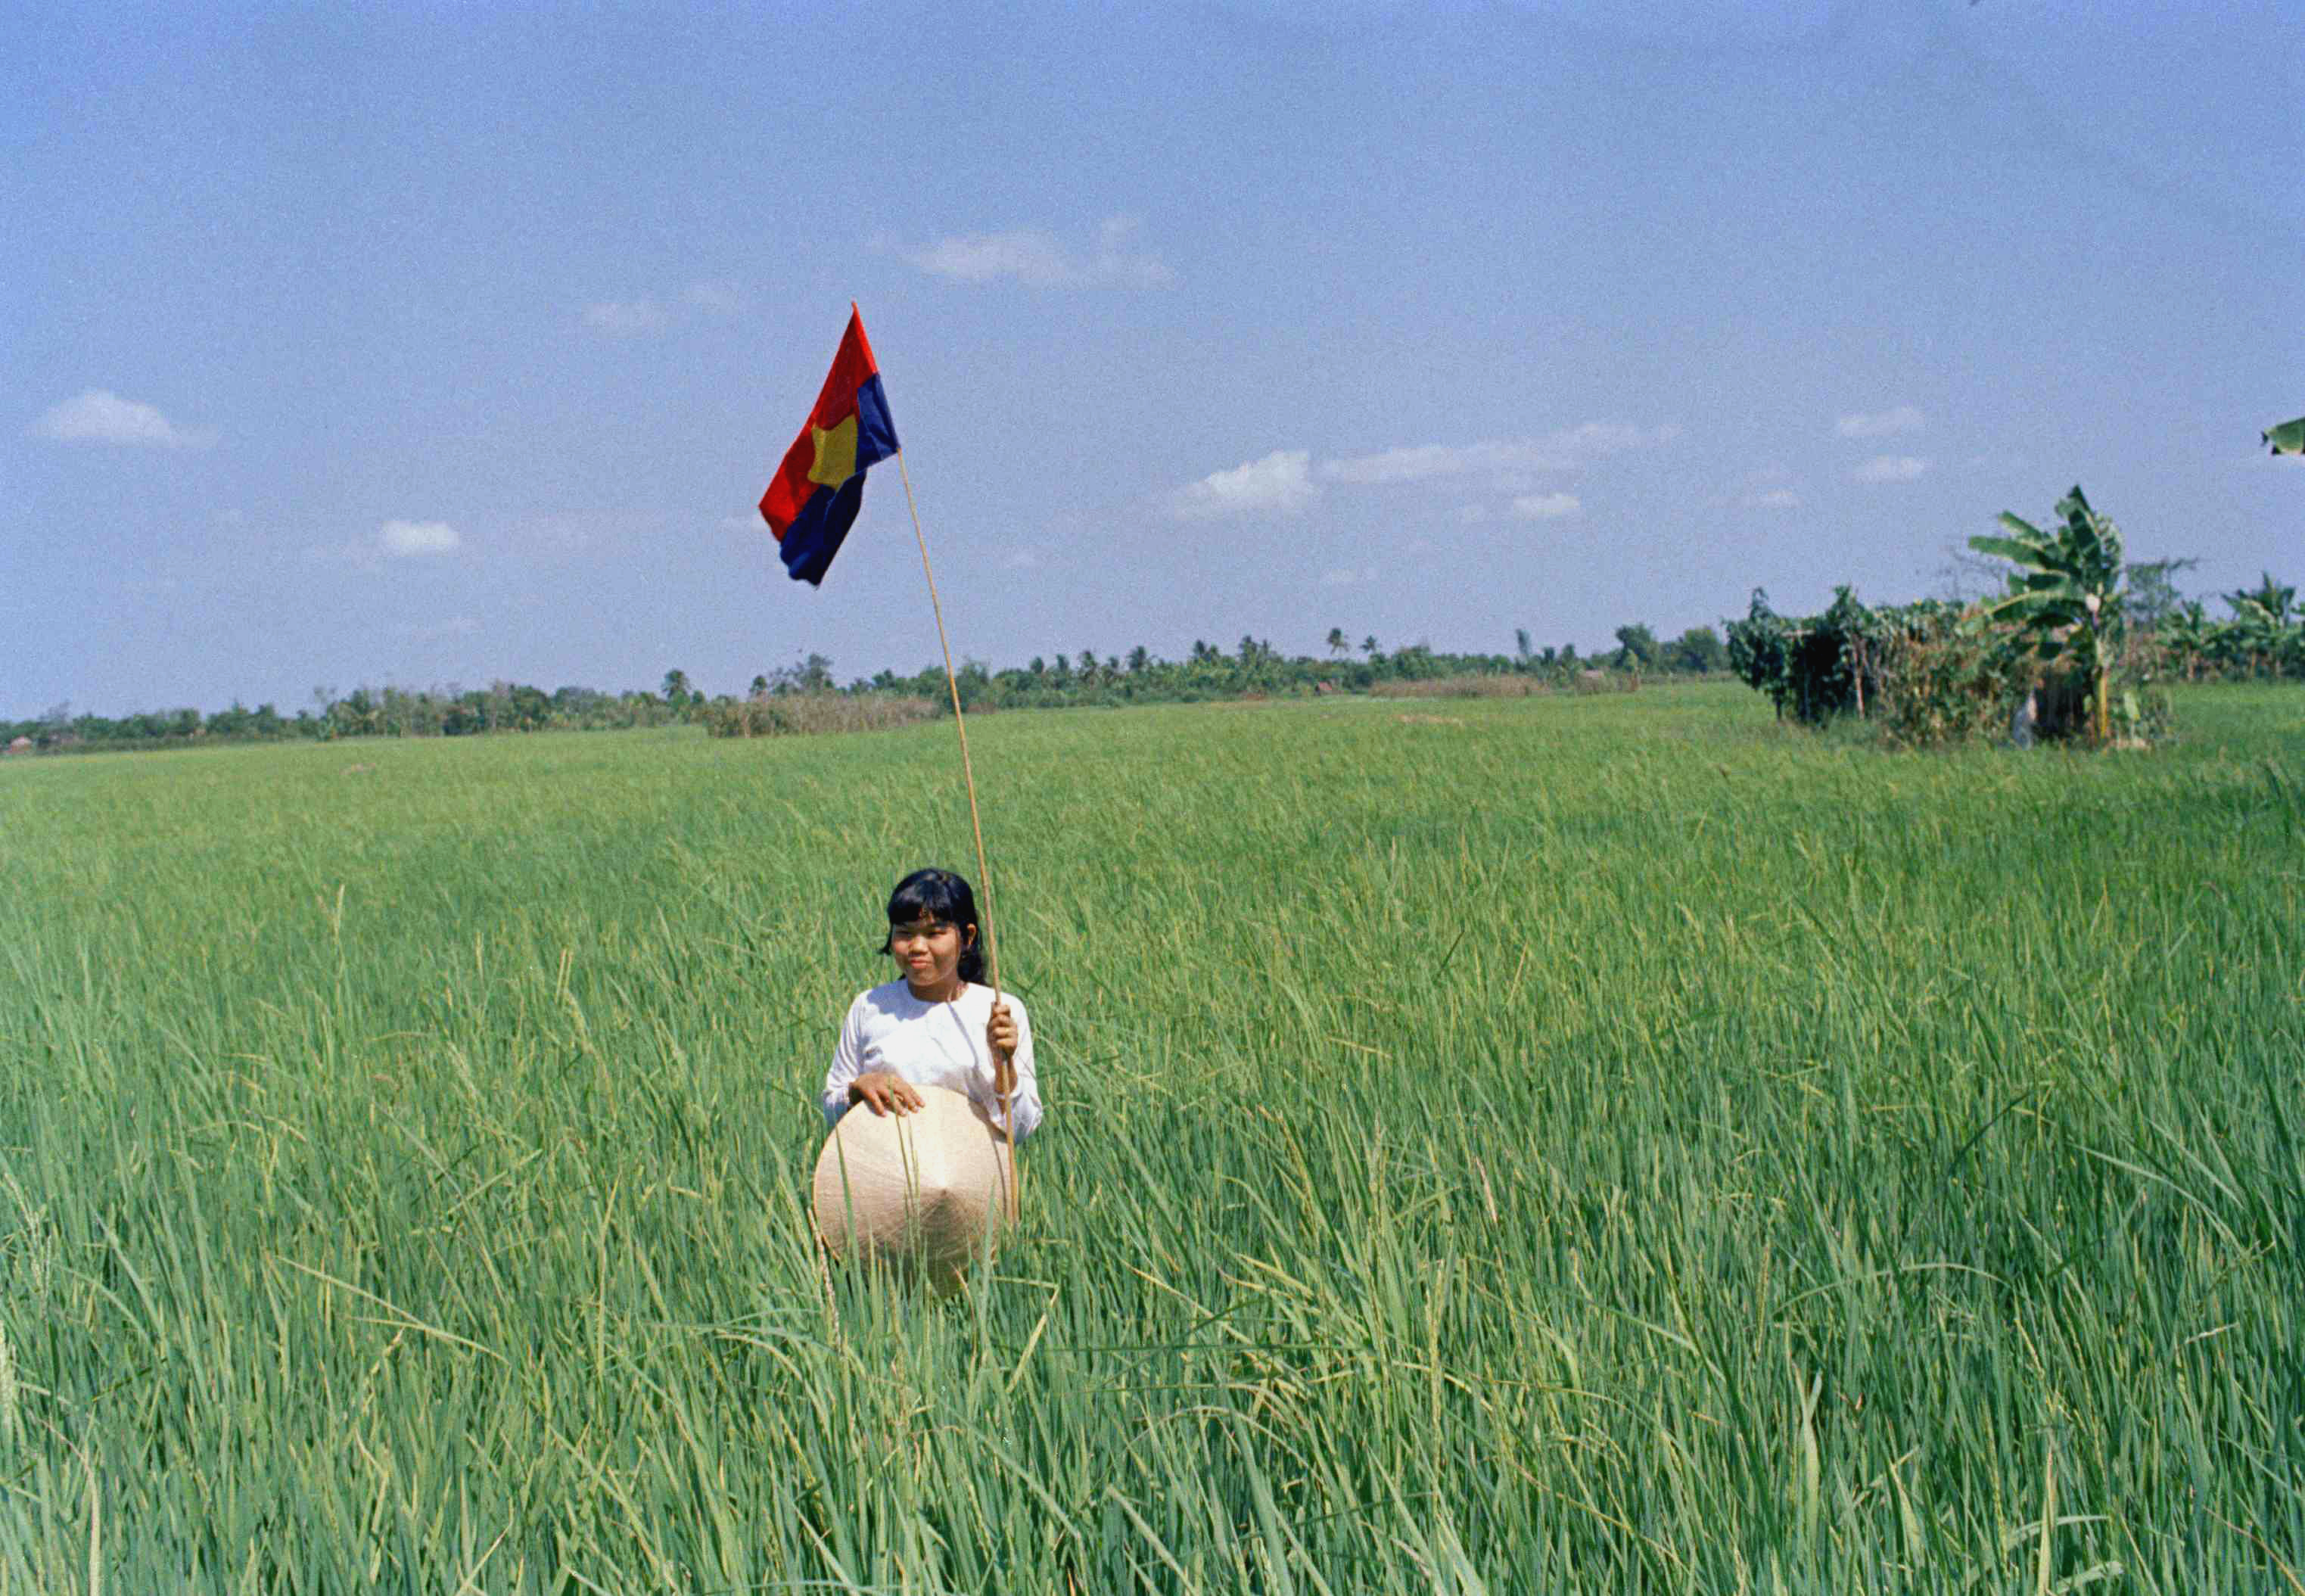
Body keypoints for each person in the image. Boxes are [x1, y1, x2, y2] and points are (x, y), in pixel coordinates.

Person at [821, 868, 1042, 1142]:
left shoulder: (1000, 1011)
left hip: (972, 1178)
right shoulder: (870, 1006)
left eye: (934, 933)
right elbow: (831, 1114)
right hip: (882, 1174)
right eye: (904, 932)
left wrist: (1004, 1066)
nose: (917, 946)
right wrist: (856, 1090)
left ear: (967, 937)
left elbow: (1020, 1130)